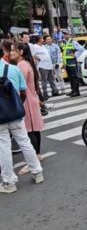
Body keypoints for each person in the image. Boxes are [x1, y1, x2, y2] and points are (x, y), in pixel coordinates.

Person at [0, 49, 44, 193]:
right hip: (16, 113)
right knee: (25, 142)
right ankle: (37, 172)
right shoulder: (13, 69)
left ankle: (9, 182)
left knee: (4, 147)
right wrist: (18, 106)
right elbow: (23, 91)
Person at [10, 45, 44, 175]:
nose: (11, 52)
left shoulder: (21, 65)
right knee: (34, 129)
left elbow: (20, 85)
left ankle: (33, 160)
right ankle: (38, 155)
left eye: (13, 50)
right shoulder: (26, 64)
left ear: (21, 52)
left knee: (29, 130)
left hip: (27, 100)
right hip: (32, 98)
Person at [32, 35, 59, 100]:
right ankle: (45, 93)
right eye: (41, 39)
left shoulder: (43, 46)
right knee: (44, 80)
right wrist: (37, 58)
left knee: (52, 79)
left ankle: (54, 91)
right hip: (42, 65)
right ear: (38, 40)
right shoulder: (35, 46)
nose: (43, 40)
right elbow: (32, 54)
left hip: (49, 65)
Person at [63, 32, 84, 97]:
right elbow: (64, 54)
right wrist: (64, 63)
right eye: (64, 34)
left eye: (66, 34)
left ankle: (76, 91)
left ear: (69, 35)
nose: (65, 35)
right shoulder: (64, 42)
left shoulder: (73, 42)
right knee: (70, 78)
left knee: (74, 77)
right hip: (67, 63)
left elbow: (81, 49)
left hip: (72, 63)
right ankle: (73, 90)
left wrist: (75, 54)